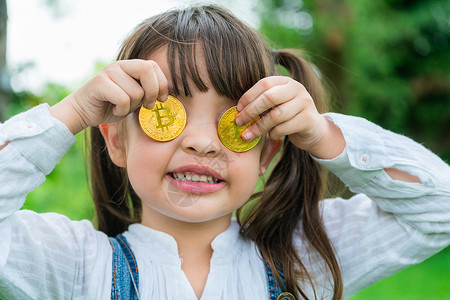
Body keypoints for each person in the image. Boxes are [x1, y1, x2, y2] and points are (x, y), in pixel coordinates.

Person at [0, 4, 449, 300]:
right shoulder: (76, 264)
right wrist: (70, 112)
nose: (202, 141)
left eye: (234, 119)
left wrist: (322, 134)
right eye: (166, 110)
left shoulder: (307, 257)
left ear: (266, 154)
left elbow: (440, 209)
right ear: (116, 139)